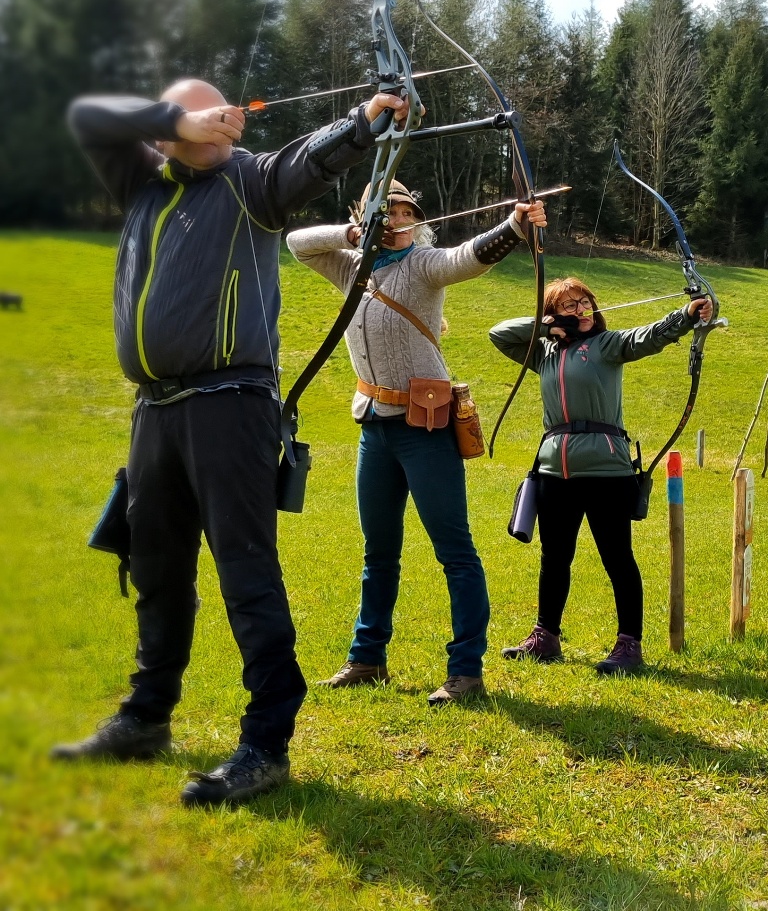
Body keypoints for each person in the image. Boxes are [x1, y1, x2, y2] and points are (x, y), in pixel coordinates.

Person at [51, 77, 413, 807]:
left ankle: (266, 742)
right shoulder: (144, 184)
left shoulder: (250, 180)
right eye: (194, 112)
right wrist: (173, 118)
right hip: (155, 411)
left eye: (218, 112)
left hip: (232, 406)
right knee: (155, 566)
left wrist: (368, 118)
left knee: (246, 573)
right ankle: (147, 715)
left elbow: (311, 159)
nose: (213, 122)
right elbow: (85, 112)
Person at [286, 182, 547, 704]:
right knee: (378, 552)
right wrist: (352, 234)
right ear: (368, 215)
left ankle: (466, 670)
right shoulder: (350, 266)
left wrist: (516, 226)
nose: (400, 219)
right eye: (389, 212)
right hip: (375, 427)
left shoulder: (424, 263)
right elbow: (295, 242)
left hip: (426, 429)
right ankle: (367, 659)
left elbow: (467, 258)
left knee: (454, 551)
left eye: (408, 212)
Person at [489, 277, 713, 674]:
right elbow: (499, 334)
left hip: (607, 469)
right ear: (555, 314)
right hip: (554, 470)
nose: (581, 310)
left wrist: (687, 315)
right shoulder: (543, 354)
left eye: (585, 302)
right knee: (554, 556)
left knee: (617, 558)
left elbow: (649, 336)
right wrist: (546, 327)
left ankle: (629, 646)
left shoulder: (607, 346)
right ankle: (546, 638)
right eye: (570, 306)